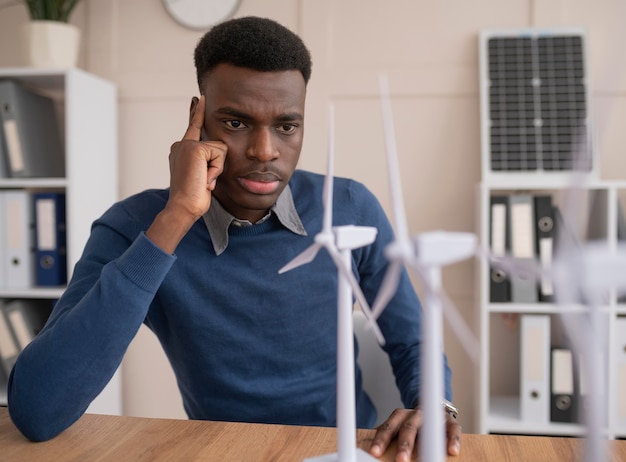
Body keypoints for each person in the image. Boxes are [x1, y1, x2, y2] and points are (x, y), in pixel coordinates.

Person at [7, 16, 462, 460]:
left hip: (344, 450)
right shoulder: (136, 225)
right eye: (237, 123)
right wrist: (177, 217)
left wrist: (434, 404)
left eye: (287, 126)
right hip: (223, 452)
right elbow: (39, 411)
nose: (265, 151)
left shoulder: (349, 207)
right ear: (197, 118)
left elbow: (411, 338)